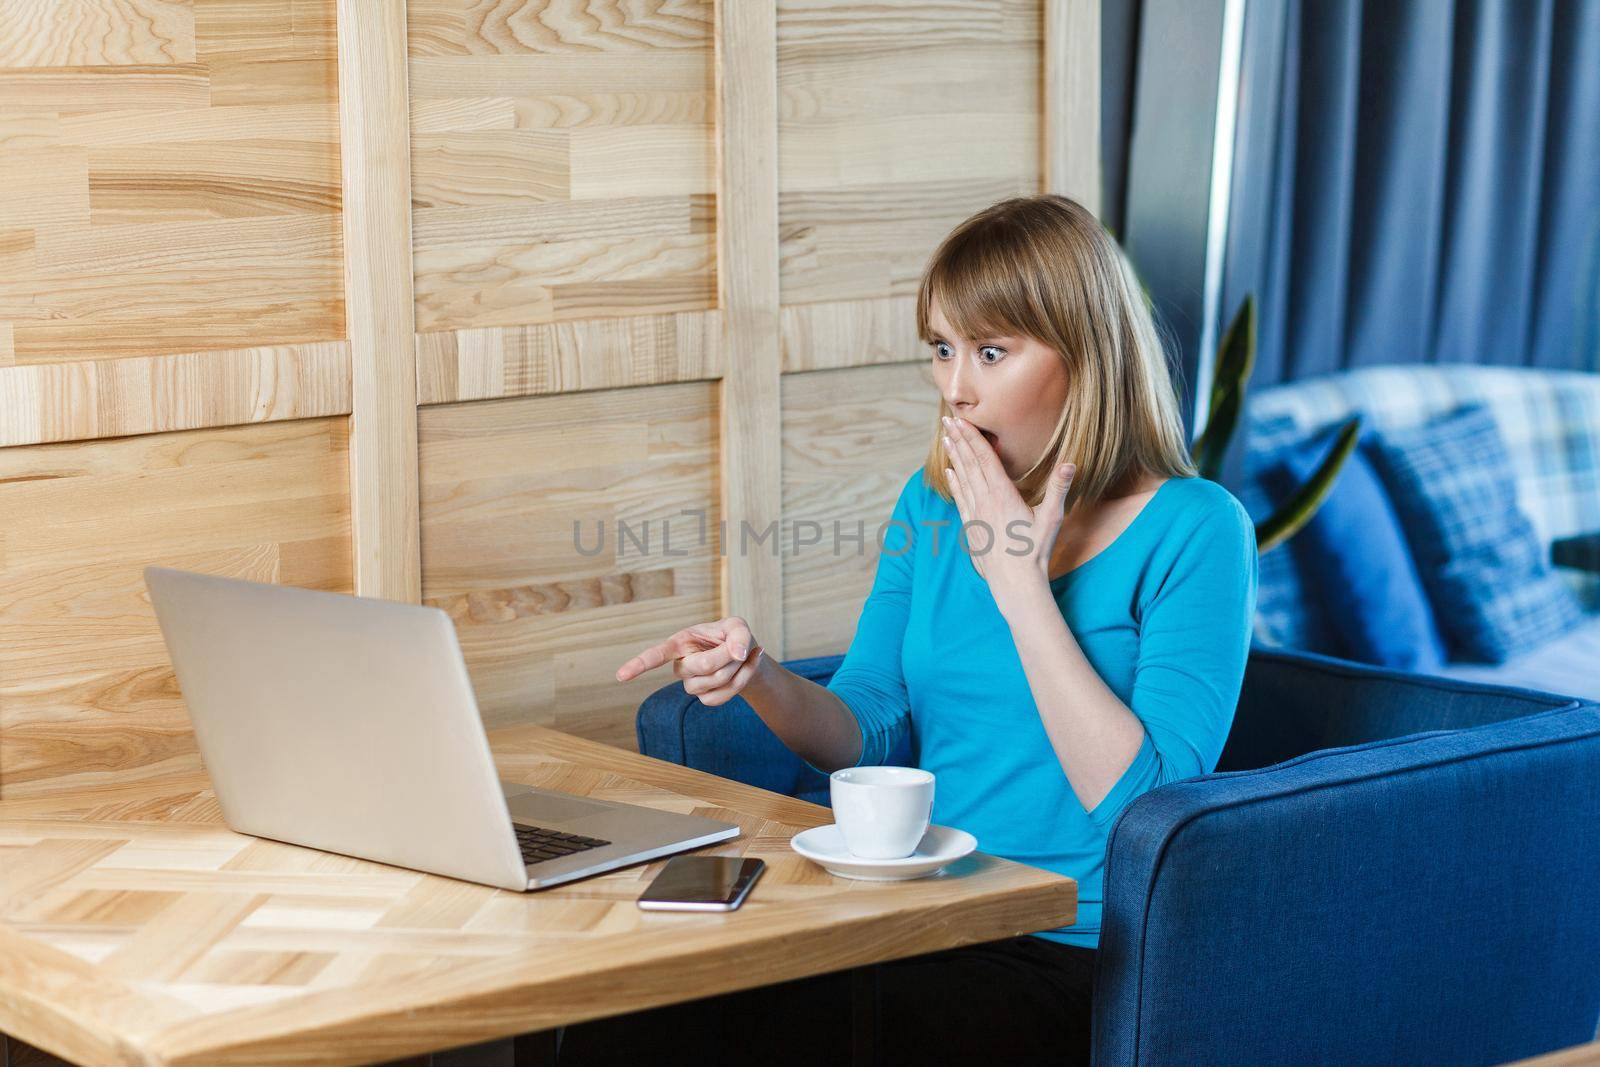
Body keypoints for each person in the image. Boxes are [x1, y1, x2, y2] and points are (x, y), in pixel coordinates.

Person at [558, 194, 1259, 1065]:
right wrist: (762, 677)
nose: (956, 389)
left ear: (1086, 356)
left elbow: (1147, 806)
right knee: (641, 1002)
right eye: (942, 349)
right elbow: (870, 728)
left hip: (1073, 946)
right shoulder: (930, 506)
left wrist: (1018, 584)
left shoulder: (1198, 527)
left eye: (992, 351)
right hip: (922, 909)